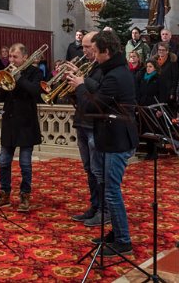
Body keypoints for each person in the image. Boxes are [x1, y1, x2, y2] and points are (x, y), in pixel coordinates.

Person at [67, 31, 138, 256]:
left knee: (111, 192)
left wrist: (80, 85)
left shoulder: (115, 76)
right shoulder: (114, 70)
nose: (94, 56)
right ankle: (116, 233)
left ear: (106, 52)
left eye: (96, 52)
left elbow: (94, 106)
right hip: (111, 137)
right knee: (109, 189)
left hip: (116, 139)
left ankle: (123, 240)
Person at [0, 43, 43, 212]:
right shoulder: (7, 72)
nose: (11, 60)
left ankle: (25, 195)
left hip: (26, 122)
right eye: (10, 57)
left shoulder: (36, 72)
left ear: (25, 57)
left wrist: (19, 78)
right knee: (4, 161)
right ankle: (4, 193)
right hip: (10, 121)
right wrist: (2, 82)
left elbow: (36, 92)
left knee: (25, 164)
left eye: (15, 57)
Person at [68, 31, 105, 225]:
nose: (83, 50)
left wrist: (81, 79)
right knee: (89, 169)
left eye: (87, 47)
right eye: (82, 46)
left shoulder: (102, 67)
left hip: (94, 123)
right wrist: (71, 86)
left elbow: (99, 89)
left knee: (99, 170)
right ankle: (94, 206)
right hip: (81, 120)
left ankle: (103, 210)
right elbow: (81, 95)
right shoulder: (87, 66)